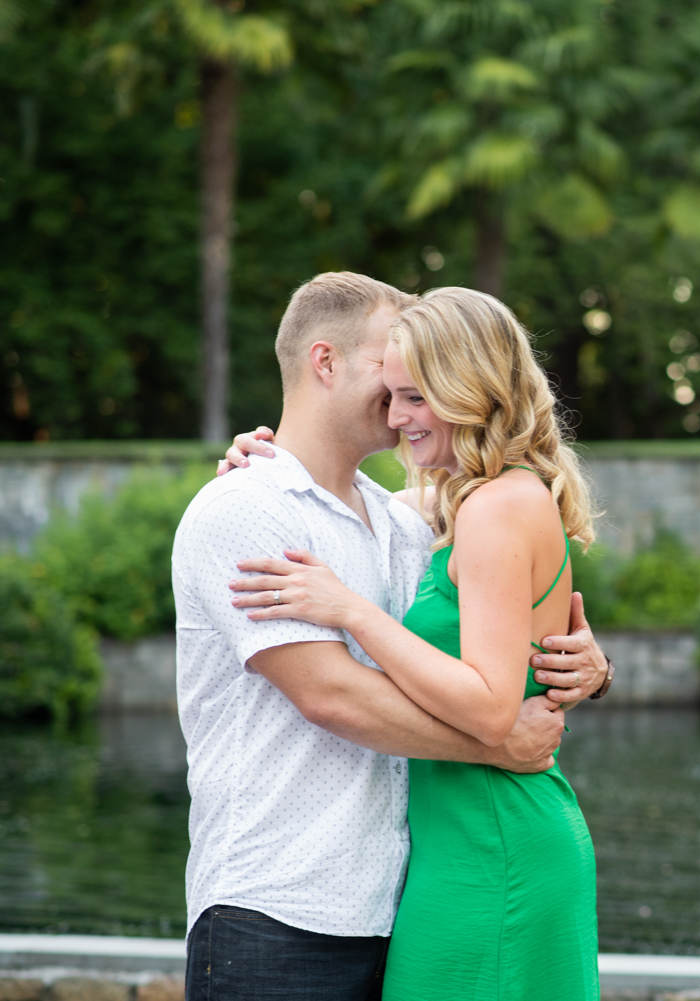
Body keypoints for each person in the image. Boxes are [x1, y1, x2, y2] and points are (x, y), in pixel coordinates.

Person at [173, 273, 611, 1001]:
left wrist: (594, 669)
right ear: (325, 362)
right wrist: (499, 743)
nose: (398, 393)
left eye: (416, 384)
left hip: (390, 906)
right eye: (388, 367)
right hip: (276, 910)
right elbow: (333, 695)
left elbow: (509, 585)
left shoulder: (404, 522)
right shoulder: (247, 509)